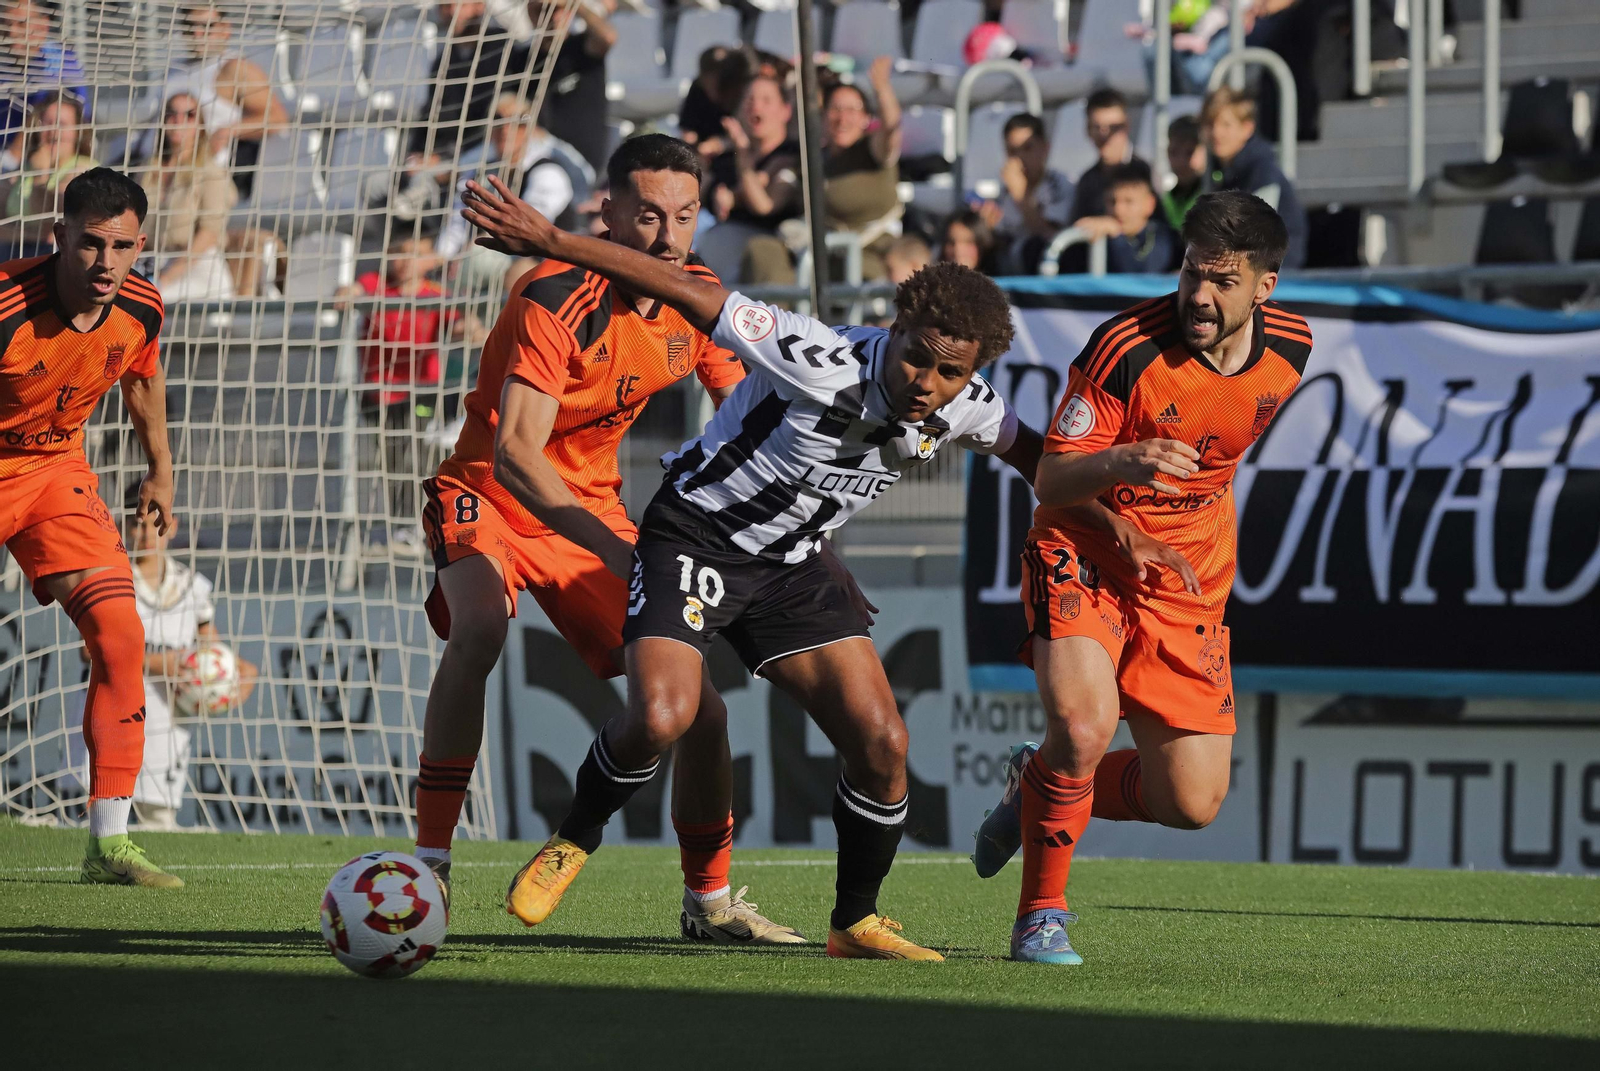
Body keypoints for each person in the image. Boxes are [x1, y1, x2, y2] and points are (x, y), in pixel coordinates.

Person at [462, 172, 1044, 962]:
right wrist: (557, 243)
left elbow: (1040, 458)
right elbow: (682, 287)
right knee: (663, 715)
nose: (926, 384)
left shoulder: (963, 402)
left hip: (792, 568)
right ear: (896, 324)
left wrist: (1120, 515)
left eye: (948, 373)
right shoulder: (816, 353)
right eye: (916, 360)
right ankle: (574, 836)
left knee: (883, 743)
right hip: (694, 537)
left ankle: (855, 920)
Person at [411, 135, 804, 945]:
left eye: (684, 216)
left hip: (591, 507)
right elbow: (518, 455)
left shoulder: (697, 298)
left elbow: (747, 422)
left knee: (696, 707)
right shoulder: (552, 295)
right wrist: (631, 553)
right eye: (649, 216)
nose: (667, 236)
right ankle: (429, 864)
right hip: (489, 490)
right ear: (608, 214)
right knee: (480, 625)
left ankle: (710, 903)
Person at [971, 191, 1312, 964]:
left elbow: (1219, 453)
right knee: (1086, 729)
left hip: (1187, 577)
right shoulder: (1125, 347)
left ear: (1266, 286)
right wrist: (1127, 461)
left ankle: (1038, 781)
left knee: (1190, 801)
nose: (1199, 294)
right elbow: (1052, 477)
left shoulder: (1292, 347)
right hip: (1085, 548)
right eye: (1192, 271)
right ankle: (1040, 916)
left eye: (1224, 281)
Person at [0, 167, 179, 886]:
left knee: (120, 632)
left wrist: (160, 468)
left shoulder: (143, 307)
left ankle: (110, 841)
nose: (106, 263)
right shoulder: (8, 306)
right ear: (59, 237)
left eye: (123, 246)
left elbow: (141, 378)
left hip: (54, 471)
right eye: (90, 245)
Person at [69, 484, 260, 830]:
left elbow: (209, 652)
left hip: (168, 737)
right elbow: (88, 649)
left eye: (152, 523)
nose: (143, 533)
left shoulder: (193, 587)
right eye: (135, 523)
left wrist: (232, 676)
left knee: (160, 832)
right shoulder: (111, 576)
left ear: (172, 526)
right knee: (94, 834)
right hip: (111, 729)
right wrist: (163, 664)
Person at [335, 232, 487, 558]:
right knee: (391, 459)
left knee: (413, 454)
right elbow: (352, 291)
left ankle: (416, 525)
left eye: (415, 254)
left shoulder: (436, 294)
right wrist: (346, 293)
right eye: (398, 253)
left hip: (419, 393)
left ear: (431, 260)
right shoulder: (376, 284)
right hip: (376, 392)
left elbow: (460, 325)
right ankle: (406, 524)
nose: (405, 262)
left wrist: (472, 329)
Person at [436, 93, 587, 294]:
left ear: (531, 129)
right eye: (499, 120)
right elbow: (456, 226)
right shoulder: (479, 171)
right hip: (485, 255)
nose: (506, 130)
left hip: (541, 262)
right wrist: (438, 258)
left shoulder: (548, 172)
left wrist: (468, 250)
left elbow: (529, 230)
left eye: (519, 122)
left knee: (483, 263)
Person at [164, 3, 291, 199]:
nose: (198, 34)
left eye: (207, 26)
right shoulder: (174, 70)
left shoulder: (233, 68)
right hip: (160, 166)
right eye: (191, 27)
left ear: (225, 28)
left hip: (201, 174)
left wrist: (227, 131)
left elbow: (277, 118)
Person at [696, 74, 802, 285]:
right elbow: (703, 191)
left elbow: (763, 205)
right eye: (750, 99)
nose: (756, 106)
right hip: (717, 252)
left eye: (766, 100)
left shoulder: (792, 155)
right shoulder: (726, 158)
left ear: (785, 111)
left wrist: (742, 160)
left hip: (767, 260)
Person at [137, 92, 238, 301]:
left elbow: (208, 235)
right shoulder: (148, 170)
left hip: (199, 268)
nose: (178, 121)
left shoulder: (211, 172)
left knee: (147, 301)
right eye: (172, 114)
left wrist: (164, 279)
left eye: (189, 115)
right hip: (154, 263)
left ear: (200, 126)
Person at [1201, 86, 1307, 269]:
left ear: (1247, 128)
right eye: (1211, 124)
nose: (1217, 133)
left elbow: (1259, 237)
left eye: (1226, 125)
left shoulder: (1263, 171)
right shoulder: (1223, 171)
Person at [818, 57, 903, 282]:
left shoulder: (872, 150)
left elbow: (891, 129)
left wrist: (882, 89)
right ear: (824, 116)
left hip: (873, 255)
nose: (842, 118)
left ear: (866, 118)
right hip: (826, 255)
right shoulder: (815, 159)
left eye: (852, 109)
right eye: (835, 109)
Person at [0, 90, 94, 261]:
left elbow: (50, 230)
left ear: (77, 131)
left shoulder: (83, 169)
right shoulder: (27, 166)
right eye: (47, 123)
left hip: (49, 258)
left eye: (62, 124)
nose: (53, 131)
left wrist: (40, 176)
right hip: (10, 254)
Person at [524, 0, 616, 174]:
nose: (551, 16)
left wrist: (573, 3)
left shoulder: (583, 48)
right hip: (535, 162)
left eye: (558, 9)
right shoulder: (523, 60)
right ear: (531, 14)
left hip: (581, 166)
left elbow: (608, 37)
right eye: (542, 10)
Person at [982, 113, 1075, 274]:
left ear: (1045, 148)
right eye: (1012, 151)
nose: (1020, 157)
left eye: (1027, 148)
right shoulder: (1005, 191)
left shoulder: (1060, 185)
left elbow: (1049, 238)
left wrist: (1021, 195)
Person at [0, 0, 88, 166]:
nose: (11, 32)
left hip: (48, 162)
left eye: (21, 24)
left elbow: (75, 118)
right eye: (5, 24)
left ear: (43, 25)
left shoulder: (61, 63)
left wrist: (12, 158)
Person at [1068, 88, 1147, 226]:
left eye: (1113, 127)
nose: (1105, 135)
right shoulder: (1087, 181)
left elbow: (1158, 233)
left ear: (1127, 126)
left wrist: (1114, 228)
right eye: (1097, 127)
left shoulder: (1145, 173)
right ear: (1087, 130)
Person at [1086, 164, 1180, 274]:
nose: (1118, 210)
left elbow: (1145, 272)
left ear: (1150, 204)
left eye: (1128, 201)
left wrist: (1117, 237)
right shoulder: (1095, 237)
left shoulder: (1166, 237)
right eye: (1112, 201)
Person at [1159, 115, 1206, 231]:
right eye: (1173, 152)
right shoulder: (1164, 200)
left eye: (1189, 153)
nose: (1180, 162)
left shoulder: (1215, 195)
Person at [937, 208, 998, 274]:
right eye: (951, 242)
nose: (958, 251)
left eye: (968, 242)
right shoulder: (935, 282)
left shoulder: (1005, 279)